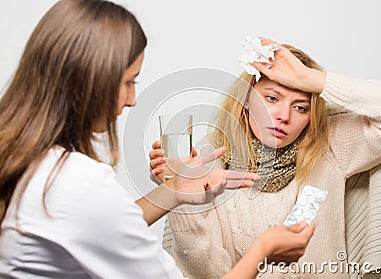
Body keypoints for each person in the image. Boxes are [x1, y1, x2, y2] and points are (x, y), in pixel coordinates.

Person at [0, 1, 317, 278]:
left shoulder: (30, 162)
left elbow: (91, 225)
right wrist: (262, 251)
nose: (132, 100)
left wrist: (174, 191)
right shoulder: (79, 183)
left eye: (300, 106)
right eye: (128, 82)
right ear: (89, 82)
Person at [149, 39, 381, 278]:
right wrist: (177, 195)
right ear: (246, 99)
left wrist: (312, 79)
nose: (283, 116)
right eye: (272, 98)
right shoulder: (215, 167)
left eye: (300, 107)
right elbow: (204, 273)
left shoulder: (329, 148)